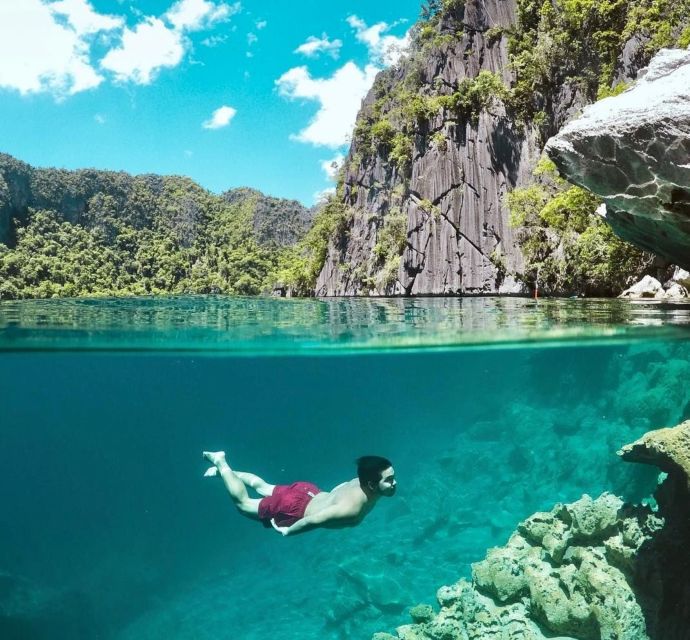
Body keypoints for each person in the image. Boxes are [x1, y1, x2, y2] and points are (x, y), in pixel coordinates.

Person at [202, 451, 396, 536]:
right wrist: (289, 531)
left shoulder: (359, 481)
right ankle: (222, 463)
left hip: (308, 491)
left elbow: (339, 488)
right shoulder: (351, 509)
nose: (395, 483)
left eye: (392, 477)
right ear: (371, 484)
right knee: (244, 505)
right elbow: (314, 520)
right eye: (388, 480)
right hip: (295, 509)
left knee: (262, 486)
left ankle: (225, 474)